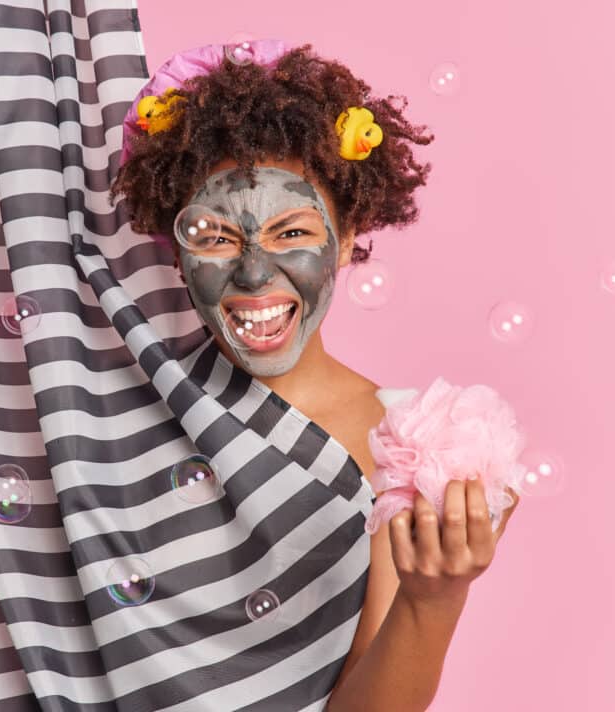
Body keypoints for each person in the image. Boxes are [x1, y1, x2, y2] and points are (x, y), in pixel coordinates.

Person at [109, 41, 520, 711]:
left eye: (292, 232)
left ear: (349, 231)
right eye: (214, 236)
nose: (252, 274)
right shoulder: (128, 413)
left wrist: (433, 600)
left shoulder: (406, 442)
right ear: (175, 245)